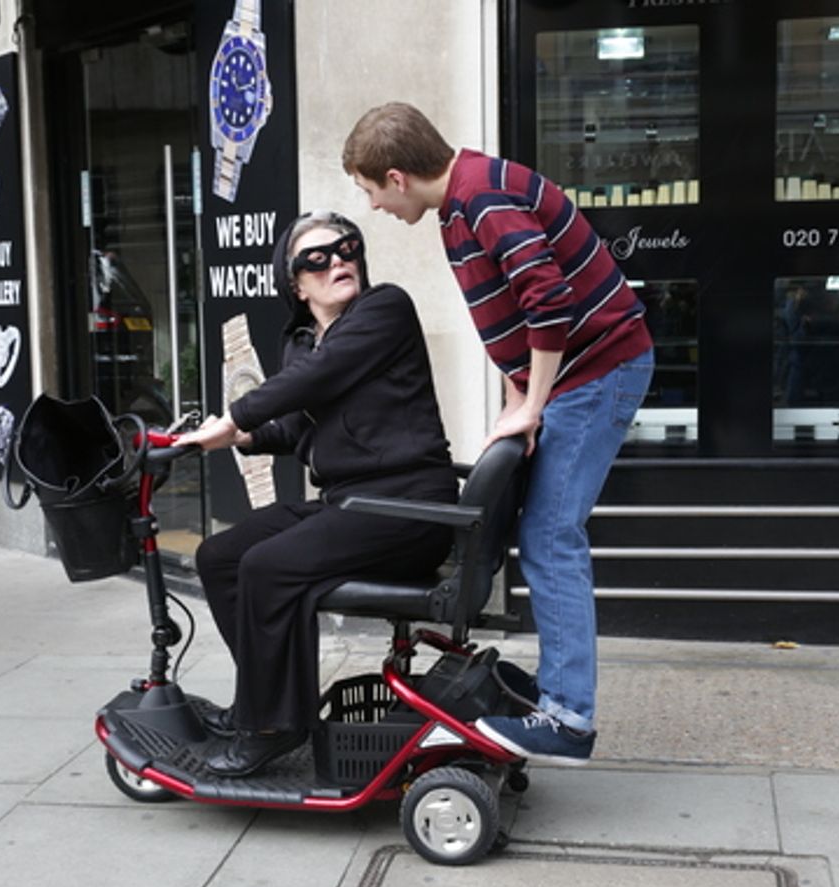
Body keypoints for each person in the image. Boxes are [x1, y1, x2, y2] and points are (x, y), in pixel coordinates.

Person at [342, 101, 655, 766]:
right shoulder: (461, 203)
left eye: (369, 191)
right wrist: (517, 399)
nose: (372, 207)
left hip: (599, 369)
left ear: (396, 177)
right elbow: (516, 314)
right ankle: (557, 695)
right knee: (540, 531)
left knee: (550, 535)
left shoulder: (481, 197)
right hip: (579, 374)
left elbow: (548, 298)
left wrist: (533, 405)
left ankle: (569, 719)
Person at [175, 210, 458, 777]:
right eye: (317, 258)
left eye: (347, 248)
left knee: (269, 567)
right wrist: (238, 437)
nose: (338, 262)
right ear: (296, 285)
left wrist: (232, 418)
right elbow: (304, 425)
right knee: (221, 557)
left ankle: (274, 725)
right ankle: (263, 699)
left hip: (407, 506)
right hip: (351, 504)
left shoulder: (385, 309)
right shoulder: (305, 342)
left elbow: (317, 377)